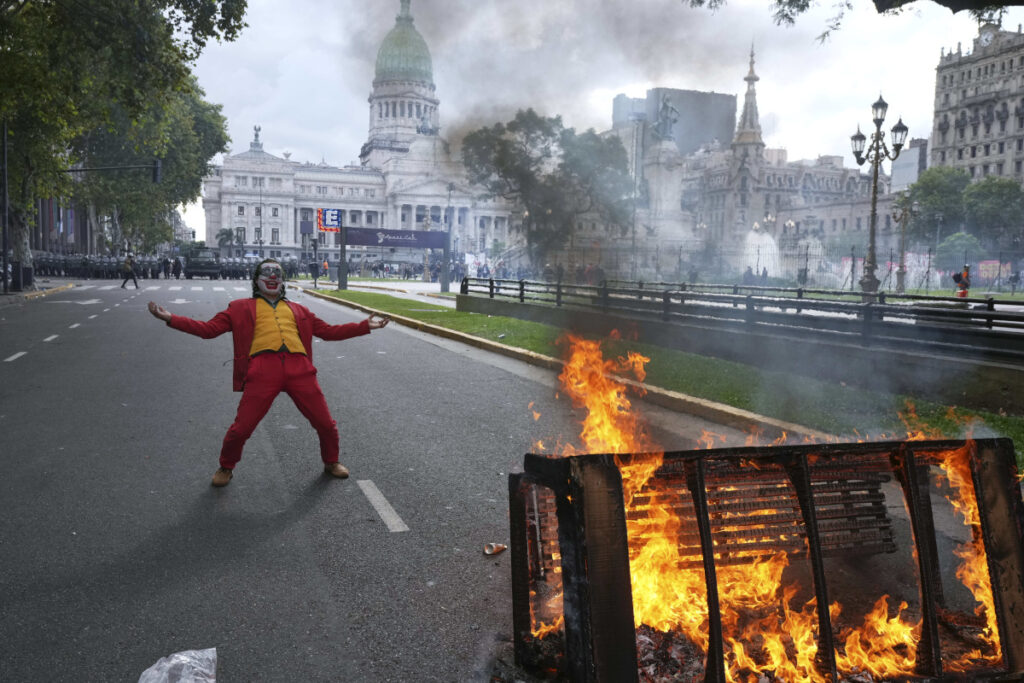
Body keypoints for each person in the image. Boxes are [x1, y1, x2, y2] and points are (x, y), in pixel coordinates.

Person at [147, 258, 390, 487]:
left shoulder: (299, 309)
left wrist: (362, 327)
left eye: (277, 273)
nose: (273, 276)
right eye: (267, 272)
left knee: (325, 423)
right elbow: (208, 329)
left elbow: (328, 331)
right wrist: (170, 319)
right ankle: (226, 466)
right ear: (256, 280)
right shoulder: (240, 307)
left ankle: (331, 461)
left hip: (300, 369)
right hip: (262, 370)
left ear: (283, 281)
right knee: (241, 428)